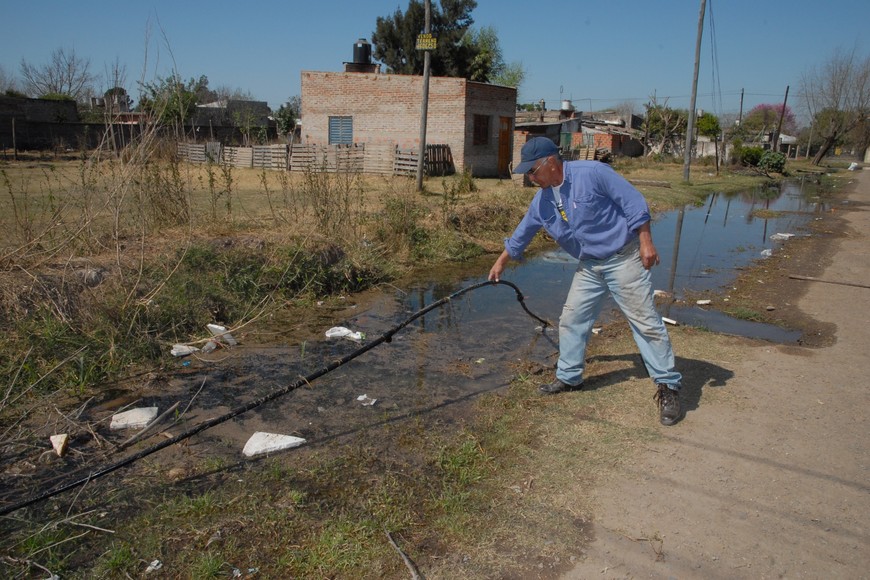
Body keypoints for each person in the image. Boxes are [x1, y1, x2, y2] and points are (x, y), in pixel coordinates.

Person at [488, 137, 683, 426]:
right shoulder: (542, 201)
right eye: (527, 173)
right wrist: (501, 261)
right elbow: (523, 232)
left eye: (532, 171)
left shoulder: (593, 174)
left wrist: (646, 242)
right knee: (572, 319)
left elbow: (633, 203)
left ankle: (668, 387)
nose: (530, 177)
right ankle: (569, 378)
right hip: (590, 266)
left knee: (644, 322)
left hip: (623, 257)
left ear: (550, 163)